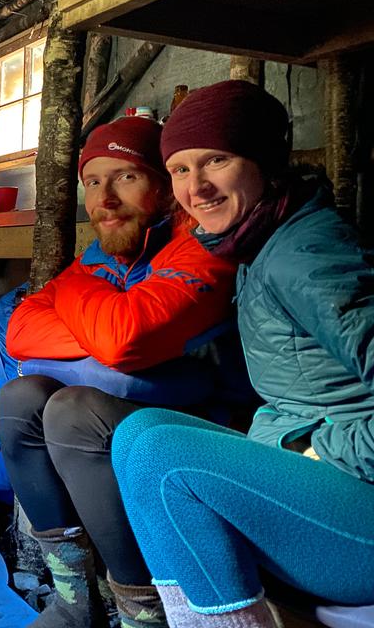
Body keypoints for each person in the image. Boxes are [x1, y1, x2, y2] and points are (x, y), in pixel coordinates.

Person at [112, 80, 374, 628]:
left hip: (359, 504)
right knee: (138, 433)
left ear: (262, 162)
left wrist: (317, 447)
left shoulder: (305, 253)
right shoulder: (262, 241)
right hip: (336, 484)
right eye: (179, 169)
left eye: (217, 160)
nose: (196, 187)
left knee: (164, 457)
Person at [0, 116, 247, 628]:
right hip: (142, 406)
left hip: (217, 423)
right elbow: (19, 331)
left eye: (126, 177)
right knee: (20, 399)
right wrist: (105, 338)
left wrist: (72, 296)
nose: (105, 199)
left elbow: (123, 339)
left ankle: (142, 612)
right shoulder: (101, 256)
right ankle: (74, 599)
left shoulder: (200, 246)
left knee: (74, 411)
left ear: (165, 188)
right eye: (93, 182)